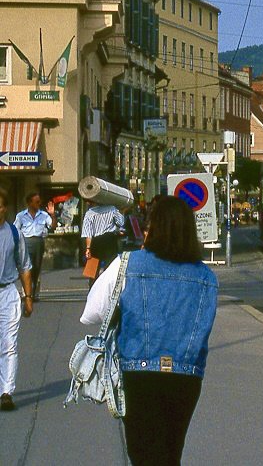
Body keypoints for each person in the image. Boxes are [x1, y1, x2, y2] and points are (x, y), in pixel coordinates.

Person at [81, 195, 218, 465]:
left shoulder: (128, 264)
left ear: (153, 227)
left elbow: (91, 313)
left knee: (143, 454)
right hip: (187, 376)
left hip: (139, 373)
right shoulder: (207, 278)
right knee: (169, 454)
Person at [0, 191, 34, 412]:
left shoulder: (13, 233)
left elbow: (24, 266)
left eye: (0, 206)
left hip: (7, 294)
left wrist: (28, 297)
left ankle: (6, 392)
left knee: (9, 344)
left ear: (5, 208)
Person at [14, 192, 55, 300]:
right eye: (36, 202)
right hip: (25, 242)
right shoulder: (21, 216)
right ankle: (26, 293)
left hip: (38, 241)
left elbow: (53, 225)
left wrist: (52, 214)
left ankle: (35, 293)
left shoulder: (44, 215)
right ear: (29, 203)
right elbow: (15, 230)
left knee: (36, 267)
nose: (39, 203)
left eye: (39, 201)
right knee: (26, 267)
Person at [81, 200, 125, 280]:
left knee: (92, 272)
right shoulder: (112, 209)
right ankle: (108, 290)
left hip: (95, 242)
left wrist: (88, 248)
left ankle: (92, 289)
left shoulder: (89, 213)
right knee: (110, 268)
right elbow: (121, 222)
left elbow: (88, 233)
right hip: (110, 240)